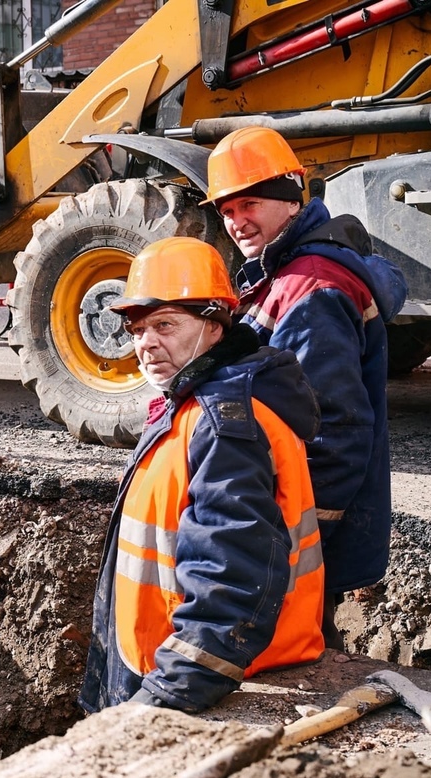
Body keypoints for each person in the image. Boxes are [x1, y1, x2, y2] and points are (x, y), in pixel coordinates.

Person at [79, 237, 326, 713]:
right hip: (157, 658)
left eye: (165, 325)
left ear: (215, 327)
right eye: (137, 329)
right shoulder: (192, 404)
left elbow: (229, 581)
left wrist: (165, 697)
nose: (146, 343)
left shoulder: (223, 424)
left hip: (193, 677)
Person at [203, 126, 408, 646]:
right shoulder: (285, 270)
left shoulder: (310, 285)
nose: (235, 221)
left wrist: (296, 538)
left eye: (248, 202)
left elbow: (332, 431)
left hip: (299, 535)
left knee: (299, 647)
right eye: (226, 210)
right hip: (292, 520)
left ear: (291, 198)